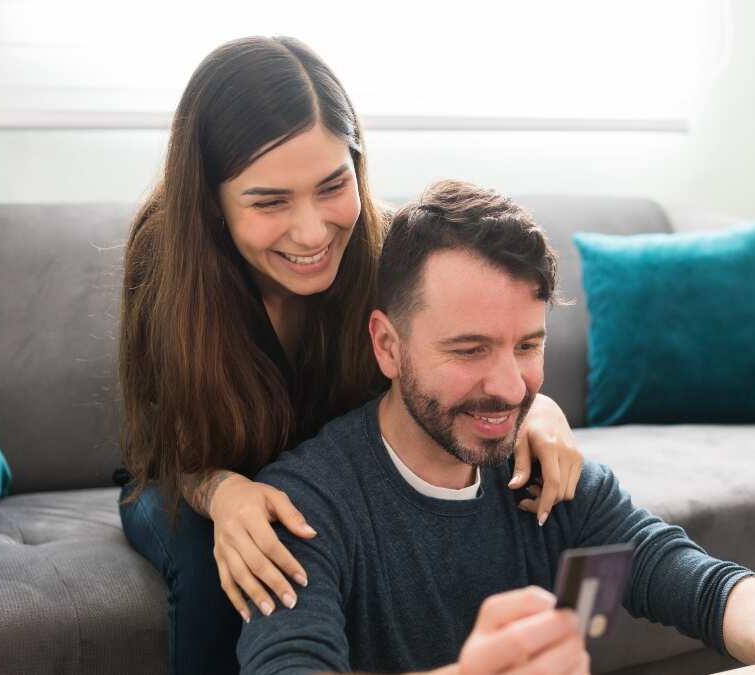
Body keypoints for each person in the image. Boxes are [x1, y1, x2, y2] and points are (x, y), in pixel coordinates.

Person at [237, 180, 755, 675]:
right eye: (470, 350)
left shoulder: (546, 474)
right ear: (388, 346)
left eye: (527, 345)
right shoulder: (306, 501)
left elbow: (687, 578)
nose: (510, 388)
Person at [116, 37, 586, 675]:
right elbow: (165, 442)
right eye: (269, 201)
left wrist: (536, 408)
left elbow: (456, 363)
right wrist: (224, 494)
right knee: (224, 561)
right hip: (189, 467)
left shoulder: (384, 248)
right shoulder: (164, 257)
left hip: (322, 480)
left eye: (332, 186)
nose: (312, 232)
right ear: (213, 202)